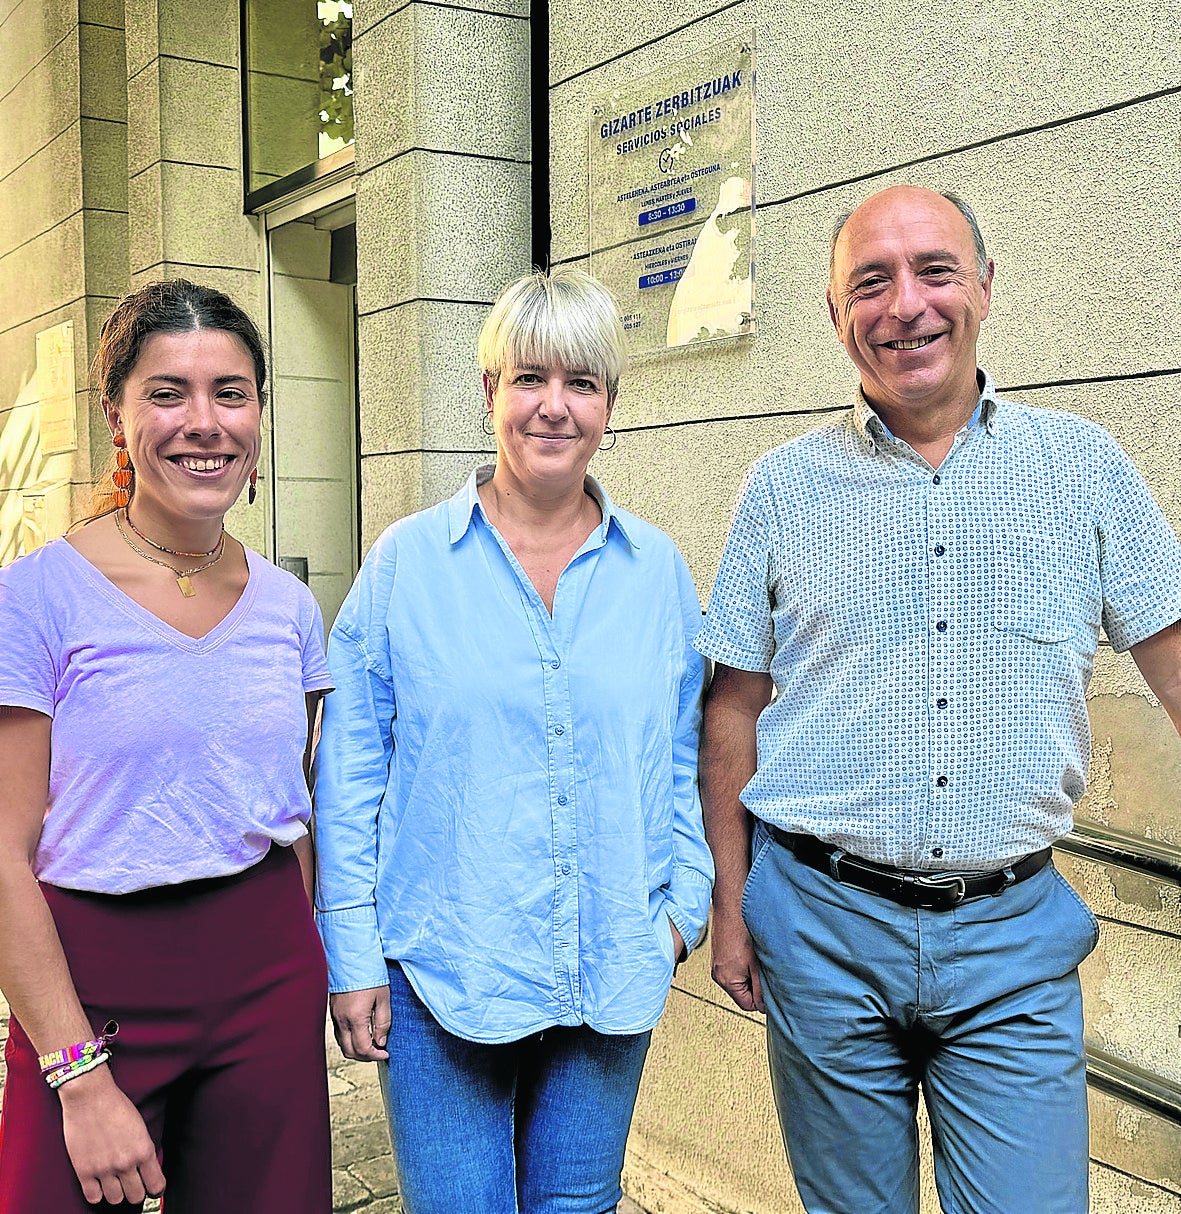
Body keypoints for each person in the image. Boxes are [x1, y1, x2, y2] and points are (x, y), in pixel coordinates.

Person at [696, 184, 1181, 1214]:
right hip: (819, 927)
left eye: (934, 271)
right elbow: (730, 707)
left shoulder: (1082, 466)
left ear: (985, 287)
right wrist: (732, 908)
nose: (903, 305)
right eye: (868, 283)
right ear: (836, 314)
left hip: (1010, 939)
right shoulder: (781, 487)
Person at [314, 266, 713, 1214]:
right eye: (529, 378)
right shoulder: (408, 563)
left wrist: (680, 912)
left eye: (581, 382)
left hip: (610, 959)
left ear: (610, 404)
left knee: (579, 1205)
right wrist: (354, 957)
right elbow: (350, 771)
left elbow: (681, 756)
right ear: (490, 390)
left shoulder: (655, 570)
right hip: (444, 967)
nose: (553, 406)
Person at [0, 280, 334, 1212]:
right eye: (167, 393)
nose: (204, 422)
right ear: (116, 414)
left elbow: (290, 812)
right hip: (91, 979)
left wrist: (304, 954)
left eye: (230, 393)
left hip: (265, 973)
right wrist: (76, 1076)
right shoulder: (36, 598)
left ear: (260, 413)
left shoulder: (290, 610)